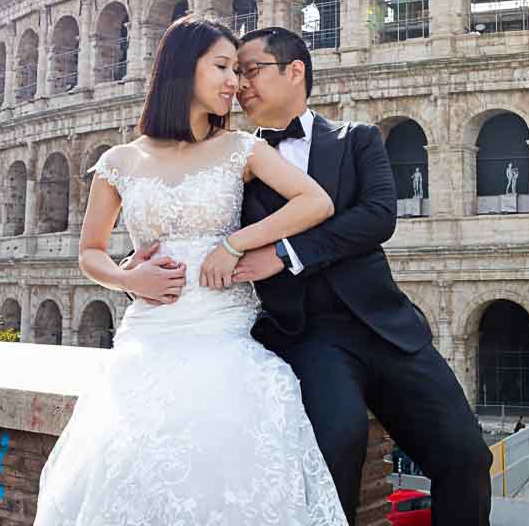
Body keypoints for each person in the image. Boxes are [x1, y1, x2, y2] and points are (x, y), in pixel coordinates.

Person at [34, 16, 346, 525]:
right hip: (149, 338)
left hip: (222, 332)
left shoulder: (243, 148)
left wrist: (234, 242)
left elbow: (315, 202)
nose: (235, 82)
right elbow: (90, 251)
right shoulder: (121, 160)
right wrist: (126, 279)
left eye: (238, 70)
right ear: (182, 69)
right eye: (223, 67)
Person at [202, 26, 491, 525]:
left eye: (251, 70)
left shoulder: (356, 138)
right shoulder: (233, 162)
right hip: (306, 335)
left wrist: (287, 251)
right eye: (234, 73)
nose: (240, 84)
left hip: (386, 326)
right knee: (337, 448)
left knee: (466, 455)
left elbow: (377, 217)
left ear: (295, 71)